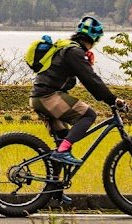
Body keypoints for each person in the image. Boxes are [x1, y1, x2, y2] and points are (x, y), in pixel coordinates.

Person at [29, 15, 125, 167]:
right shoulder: (74, 52)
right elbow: (91, 80)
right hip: (47, 97)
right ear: (95, 39)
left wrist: (85, 64)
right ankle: (62, 152)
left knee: (63, 140)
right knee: (88, 115)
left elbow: (72, 77)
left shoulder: (68, 48)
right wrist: (112, 100)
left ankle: (55, 188)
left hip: (40, 97)